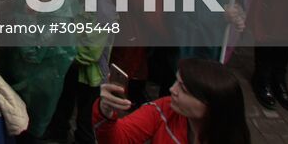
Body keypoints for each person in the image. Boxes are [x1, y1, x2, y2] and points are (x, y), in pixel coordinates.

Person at [95, 57, 251, 144]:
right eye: (176, 82)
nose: (172, 90)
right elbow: (118, 139)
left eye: (183, 89)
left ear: (211, 105)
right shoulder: (165, 108)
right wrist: (106, 110)